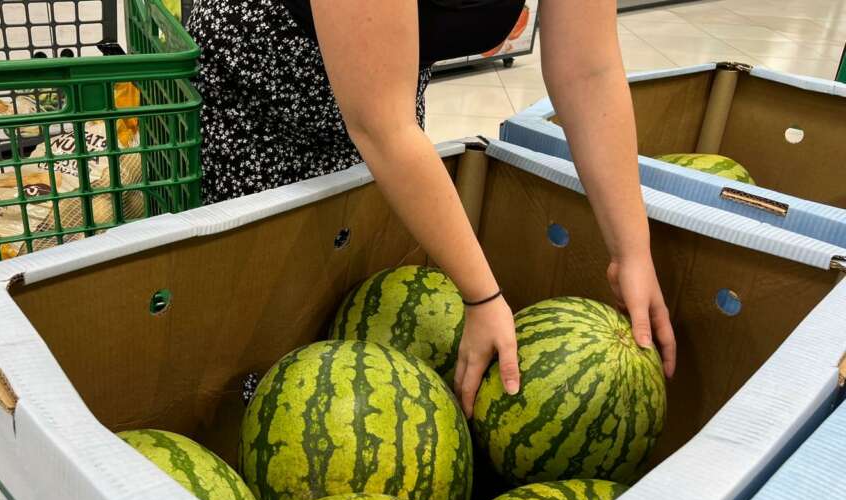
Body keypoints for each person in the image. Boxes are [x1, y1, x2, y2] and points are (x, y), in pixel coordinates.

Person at [188, 0, 677, 416]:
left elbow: (589, 70)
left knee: (349, 315)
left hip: (388, 108)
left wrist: (632, 250)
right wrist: (482, 297)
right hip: (256, 104)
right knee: (255, 353)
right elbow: (381, 126)